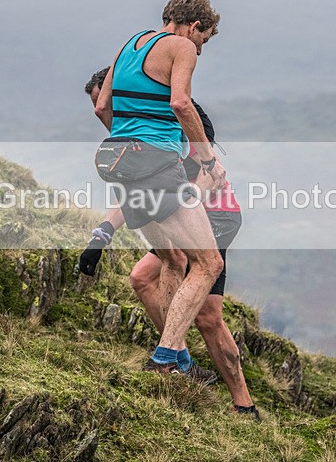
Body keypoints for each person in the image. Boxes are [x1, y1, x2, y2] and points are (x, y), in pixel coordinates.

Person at [81, 67, 259, 419]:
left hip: (215, 215)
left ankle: (239, 400)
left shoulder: (169, 121)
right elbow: (137, 193)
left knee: (207, 315)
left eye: (107, 107)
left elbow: (197, 184)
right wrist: (102, 233)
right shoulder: (135, 137)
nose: (105, 117)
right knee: (144, 277)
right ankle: (180, 360)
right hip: (181, 211)